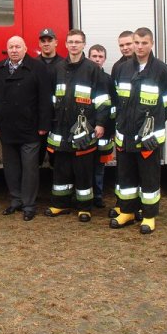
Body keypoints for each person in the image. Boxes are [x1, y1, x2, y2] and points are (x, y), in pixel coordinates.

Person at [110, 27, 167, 234]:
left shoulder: (162, 70)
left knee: (149, 178)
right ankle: (127, 212)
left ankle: (149, 216)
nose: (139, 47)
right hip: (125, 135)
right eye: (136, 43)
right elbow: (116, 99)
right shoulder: (121, 69)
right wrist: (120, 123)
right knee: (126, 176)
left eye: (144, 43)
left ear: (151, 44)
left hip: (148, 137)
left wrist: (155, 122)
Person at [45, 29, 110, 222]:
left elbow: (103, 99)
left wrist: (100, 124)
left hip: (84, 129)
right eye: (71, 42)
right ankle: (60, 204)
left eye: (77, 42)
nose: (74, 45)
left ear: (83, 45)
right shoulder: (57, 68)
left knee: (83, 171)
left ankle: (84, 207)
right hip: (60, 129)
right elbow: (50, 98)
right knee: (61, 170)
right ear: (65, 44)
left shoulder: (92, 69)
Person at [0, 36, 51, 221]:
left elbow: (45, 98)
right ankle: (16, 200)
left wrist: (44, 124)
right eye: (11, 47)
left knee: (30, 169)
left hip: (30, 128)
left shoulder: (38, 67)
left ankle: (29, 205)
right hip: (7, 127)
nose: (14, 50)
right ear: (7, 49)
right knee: (11, 168)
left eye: (18, 47)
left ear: (25, 49)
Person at [88, 44, 116, 208]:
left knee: (99, 165)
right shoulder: (84, 76)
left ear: (104, 59)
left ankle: (98, 196)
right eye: (94, 56)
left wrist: (110, 128)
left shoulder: (108, 80)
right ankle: (85, 194)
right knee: (84, 165)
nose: (97, 59)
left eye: (100, 57)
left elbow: (113, 106)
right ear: (89, 57)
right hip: (86, 129)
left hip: (104, 132)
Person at [37, 28, 63, 166]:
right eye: (43, 41)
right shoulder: (33, 64)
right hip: (38, 119)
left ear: (56, 42)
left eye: (49, 40)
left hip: (58, 118)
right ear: (39, 44)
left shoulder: (64, 64)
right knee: (36, 158)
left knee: (57, 157)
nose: (46, 43)